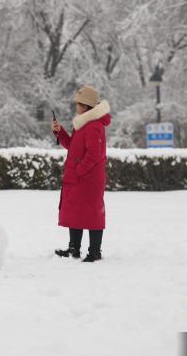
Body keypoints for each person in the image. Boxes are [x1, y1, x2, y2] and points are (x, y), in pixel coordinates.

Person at [52, 85, 111, 262]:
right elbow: (73, 146)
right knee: (75, 211)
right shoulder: (83, 124)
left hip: (89, 179)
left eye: (78, 103)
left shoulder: (94, 126)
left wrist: (80, 170)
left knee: (92, 213)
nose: (76, 107)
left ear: (86, 106)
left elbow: (95, 154)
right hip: (79, 178)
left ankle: (94, 251)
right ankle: (73, 249)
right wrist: (60, 132)